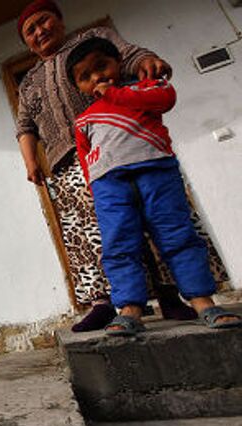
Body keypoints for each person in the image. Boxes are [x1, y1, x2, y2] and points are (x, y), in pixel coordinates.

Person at [14, 0, 228, 331]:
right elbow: (25, 126)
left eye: (44, 21)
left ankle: (171, 294)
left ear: (58, 19)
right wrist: (31, 161)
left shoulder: (94, 39)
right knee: (101, 233)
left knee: (161, 220)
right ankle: (107, 302)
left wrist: (147, 61)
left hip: (132, 146)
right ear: (26, 41)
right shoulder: (28, 82)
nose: (40, 31)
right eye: (30, 30)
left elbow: (130, 55)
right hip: (73, 160)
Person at [66, 37, 242, 334]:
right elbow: (86, 155)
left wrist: (115, 95)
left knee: (178, 235)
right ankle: (130, 310)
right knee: (119, 246)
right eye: (86, 76)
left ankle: (203, 302)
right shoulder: (83, 119)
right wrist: (92, 185)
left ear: (118, 63)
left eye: (101, 66)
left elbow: (166, 100)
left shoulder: (146, 88)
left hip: (157, 174)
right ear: (80, 87)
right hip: (109, 186)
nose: (97, 77)